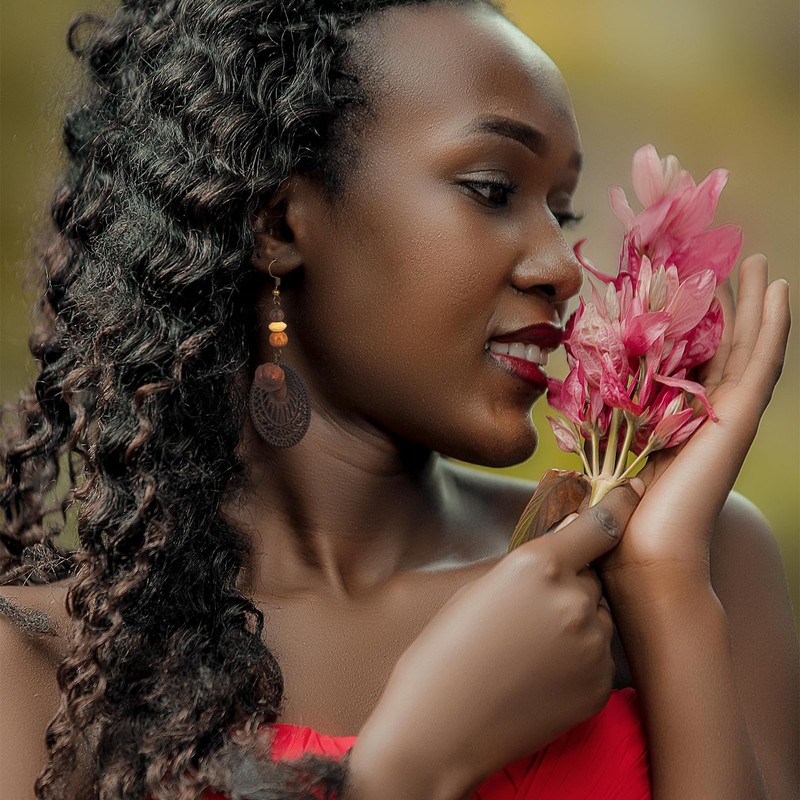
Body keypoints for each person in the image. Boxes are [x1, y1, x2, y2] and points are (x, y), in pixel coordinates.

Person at [0, 0, 796, 798]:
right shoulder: (41, 659)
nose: (561, 264)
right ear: (278, 225)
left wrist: (664, 588)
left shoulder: (700, 562)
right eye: (491, 189)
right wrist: (410, 765)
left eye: (563, 210)